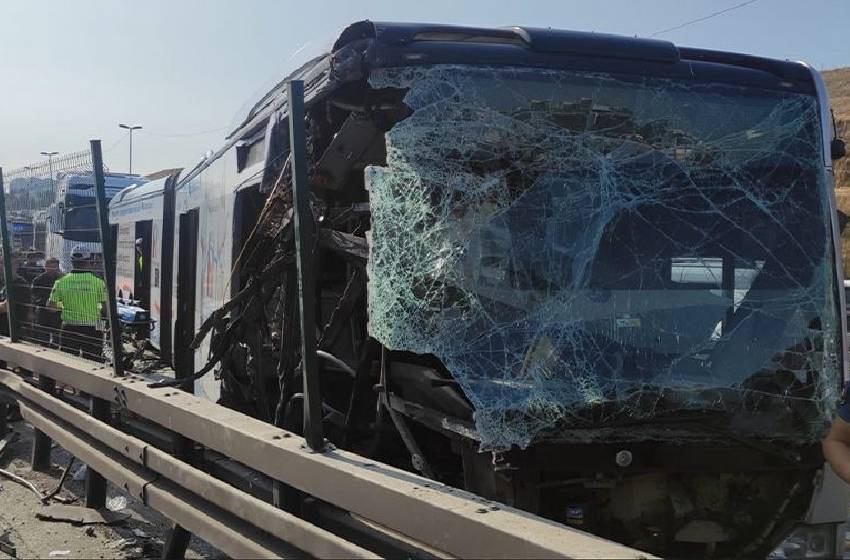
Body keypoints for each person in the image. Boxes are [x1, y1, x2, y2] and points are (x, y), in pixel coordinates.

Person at [48, 247, 107, 359]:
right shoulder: (99, 282)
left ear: (71, 262)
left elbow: (51, 307)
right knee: (93, 361)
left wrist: (64, 305)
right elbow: (105, 308)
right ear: (89, 261)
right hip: (92, 328)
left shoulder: (61, 282)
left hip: (69, 327)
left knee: (68, 362)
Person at [30, 258, 64, 346]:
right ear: (45, 267)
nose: (52, 269)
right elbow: (33, 297)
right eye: (50, 267)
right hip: (43, 311)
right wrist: (32, 311)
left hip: (57, 311)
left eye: (54, 267)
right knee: (43, 338)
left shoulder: (62, 279)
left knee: (57, 339)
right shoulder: (38, 280)